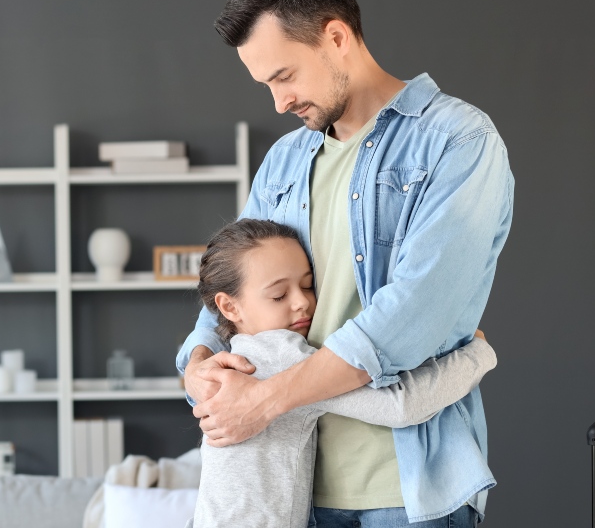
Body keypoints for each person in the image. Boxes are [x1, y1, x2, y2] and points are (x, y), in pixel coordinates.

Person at [175, 0, 514, 527]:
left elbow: (411, 317)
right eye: (266, 85)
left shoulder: (457, 141)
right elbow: (233, 283)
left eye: (284, 76)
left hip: (408, 491)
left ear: (336, 37)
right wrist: (200, 362)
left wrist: (264, 399)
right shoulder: (284, 160)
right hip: (296, 493)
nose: (279, 103)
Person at [187, 218, 496, 528]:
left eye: (308, 286)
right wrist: (477, 356)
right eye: (279, 295)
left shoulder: (225, 360)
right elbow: (400, 406)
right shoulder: (280, 353)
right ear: (229, 307)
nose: (302, 303)